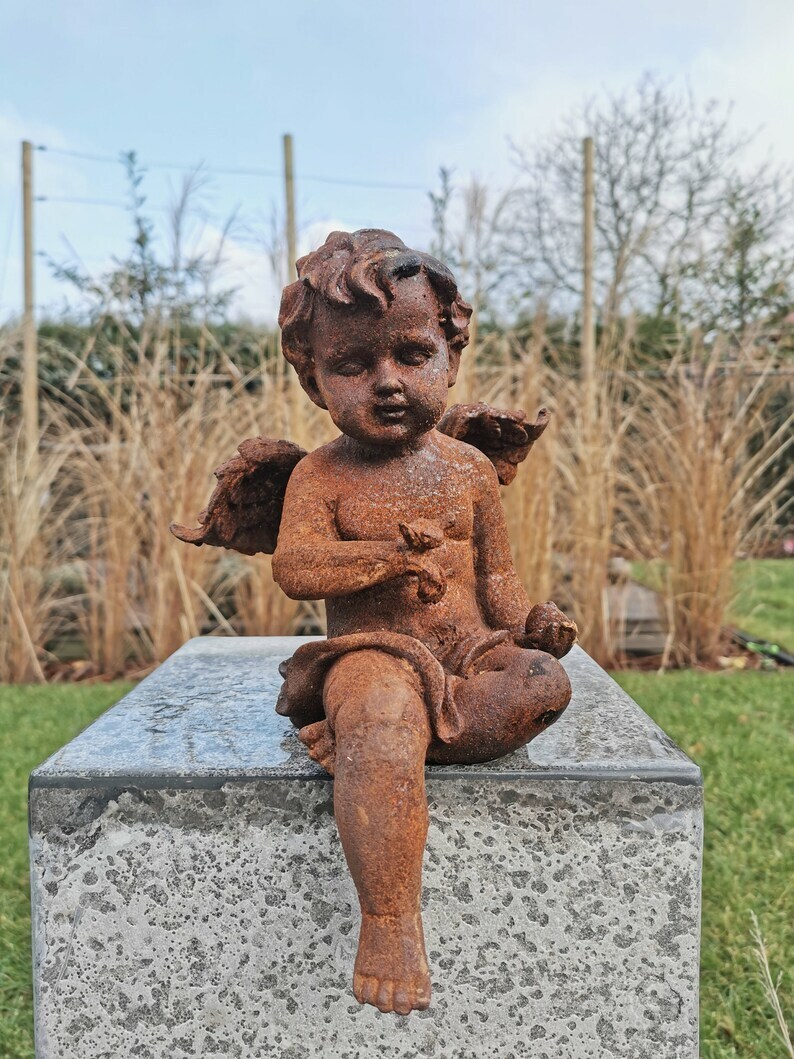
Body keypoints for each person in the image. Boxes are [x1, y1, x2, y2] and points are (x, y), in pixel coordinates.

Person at [268, 229, 577, 1016]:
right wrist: (385, 559)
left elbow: (497, 582)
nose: (387, 382)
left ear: (451, 356)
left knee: (543, 683)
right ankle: (389, 918)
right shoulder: (321, 475)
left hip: (467, 651)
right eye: (351, 365)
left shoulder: (469, 470)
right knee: (379, 698)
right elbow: (296, 568)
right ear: (313, 379)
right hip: (373, 651)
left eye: (412, 355)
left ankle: (377, 745)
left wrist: (531, 623)